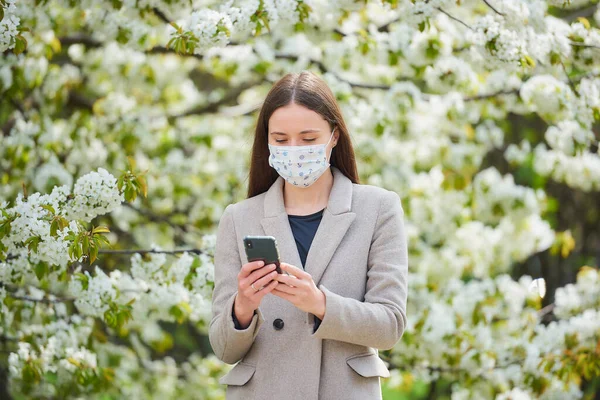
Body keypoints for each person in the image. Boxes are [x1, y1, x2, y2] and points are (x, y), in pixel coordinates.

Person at [208, 71, 408, 400]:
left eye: (308, 138)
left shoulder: (379, 209)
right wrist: (242, 307)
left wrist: (320, 304)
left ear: (334, 136)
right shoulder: (238, 218)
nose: (295, 150)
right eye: (282, 140)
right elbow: (223, 348)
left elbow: (389, 325)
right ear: (267, 142)